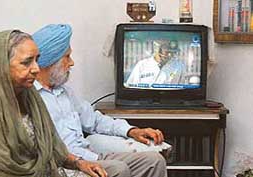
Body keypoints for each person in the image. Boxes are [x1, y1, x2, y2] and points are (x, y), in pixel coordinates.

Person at [33, 24, 167, 177]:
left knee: (154, 161)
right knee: (118, 169)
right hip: (67, 167)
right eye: (67, 57)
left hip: (92, 157)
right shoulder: (30, 98)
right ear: (51, 61)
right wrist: (78, 162)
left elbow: (95, 121)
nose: (72, 63)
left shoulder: (64, 92)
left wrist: (132, 131)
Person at [0, 30, 107, 177]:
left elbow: (53, 147)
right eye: (26, 62)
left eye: (36, 60)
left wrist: (79, 163)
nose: (36, 69)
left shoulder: (28, 93)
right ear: (1, 65)